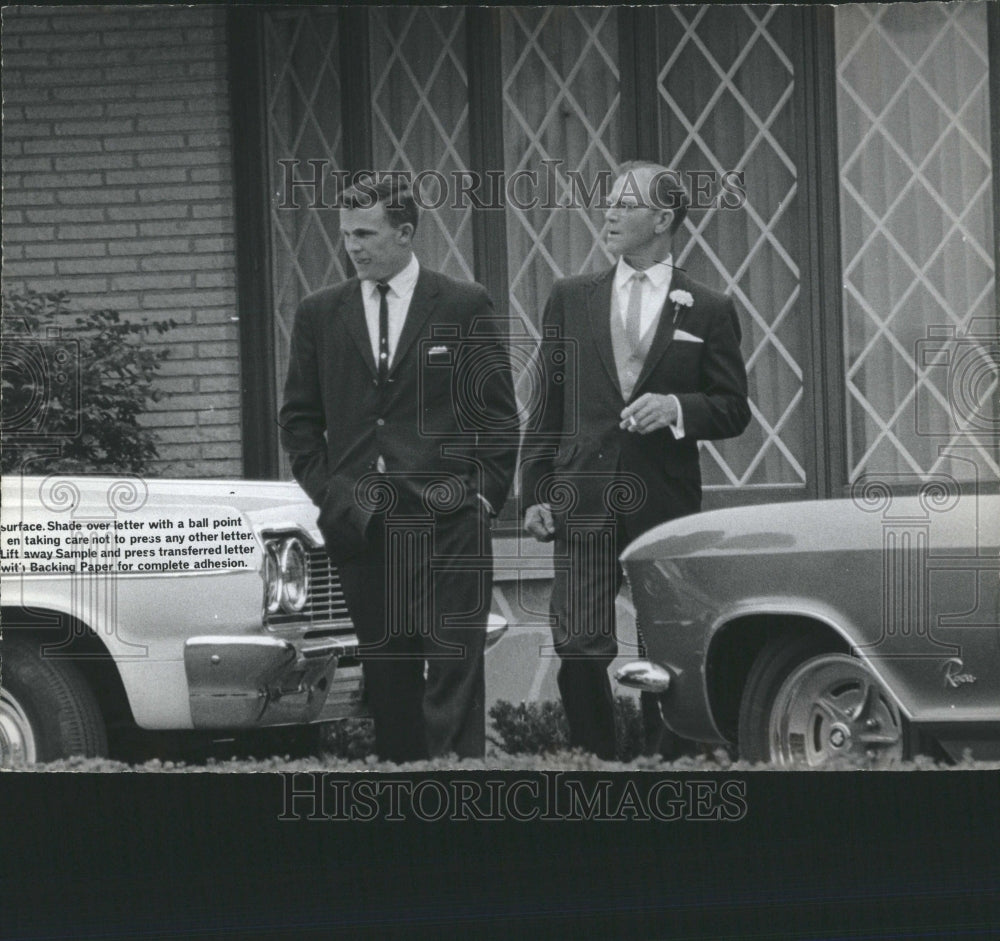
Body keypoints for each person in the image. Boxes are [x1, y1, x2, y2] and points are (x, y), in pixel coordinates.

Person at [520, 161, 751, 760]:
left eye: (625, 204)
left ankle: (664, 772)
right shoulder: (572, 297)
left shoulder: (709, 307)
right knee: (578, 646)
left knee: (665, 650)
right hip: (581, 496)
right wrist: (535, 490)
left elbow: (733, 409)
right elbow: (548, 401)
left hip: (665, 503)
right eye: (609, 203)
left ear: (664, 218)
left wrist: (677, 406)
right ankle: (595, 769)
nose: (609, 213)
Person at [280, 178, 517, 762]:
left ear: (405, 233)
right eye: (345, 235)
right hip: (363, 525)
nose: (352, 247)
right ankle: (407, 807)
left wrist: (480, 500)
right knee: (390, 677)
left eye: (365, 233)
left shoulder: (462, 304)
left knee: (455, 670)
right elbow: (299, 420)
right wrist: (331, 494)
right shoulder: (320, 313)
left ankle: (462, 802)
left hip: (450, 521)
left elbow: (497, 415)